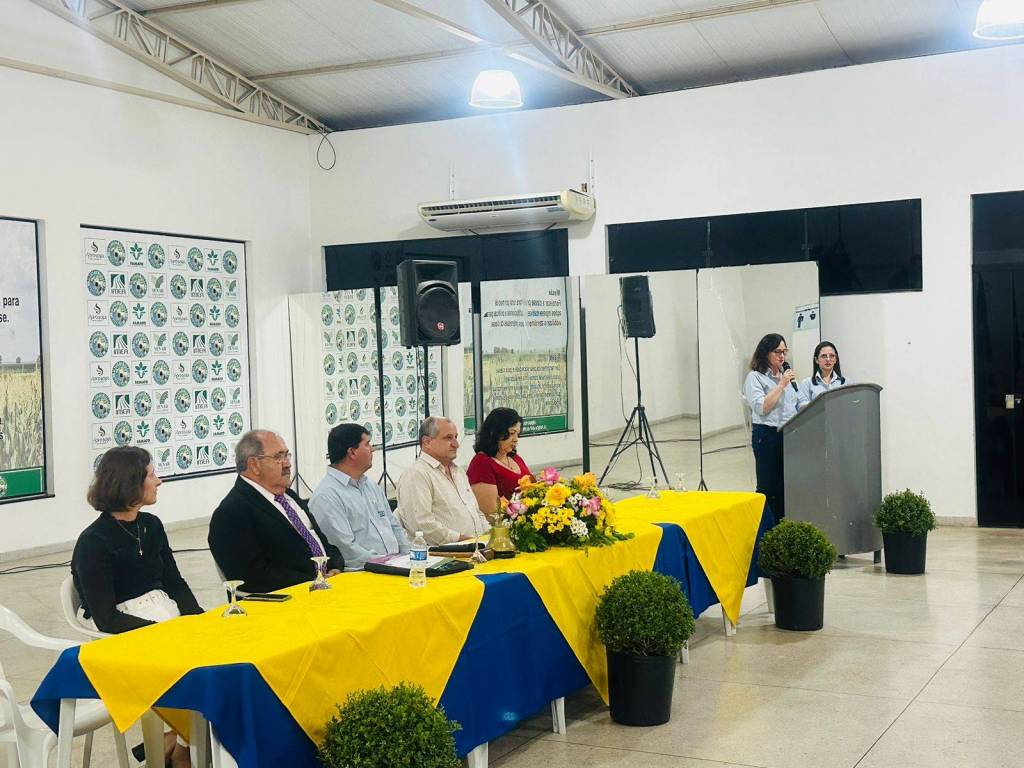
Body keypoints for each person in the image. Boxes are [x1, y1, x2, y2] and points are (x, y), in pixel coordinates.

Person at [71, 446, 201, 768]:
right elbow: (106, 617)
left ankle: (176, 743)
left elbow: (175, 583)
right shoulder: (93, 542)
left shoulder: (151, 525)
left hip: (164, 620)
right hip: (128, 632)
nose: (159, 481)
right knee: (198, 672)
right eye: (152, 475)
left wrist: (200, 621)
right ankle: (182, 749)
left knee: (224, 659)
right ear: (131, 483)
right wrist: (159, 634)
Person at [208, 430, 343, 593]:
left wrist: (335, 566)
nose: (287, 464)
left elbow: (323, 543)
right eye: (279, 457)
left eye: (287, 455)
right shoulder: (231, 513)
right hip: (289, 599)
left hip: (329, 587)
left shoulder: (289, 496)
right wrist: (313, 581)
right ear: (254, 465)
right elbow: (252, 576)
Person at [308, 423, 410, 570]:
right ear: (352, 452)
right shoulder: (326, 496)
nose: (372, 449)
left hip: (395, 566)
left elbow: (394, 526)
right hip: (364, 572)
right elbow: (347, 550)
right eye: (367, 444)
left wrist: (410, 558)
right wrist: (387, 564)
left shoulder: (370, 485)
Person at [395, 416, 489, 546]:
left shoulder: (458, 471)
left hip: (477, 548)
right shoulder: (416, 475)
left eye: (456, 437)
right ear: (427, 442)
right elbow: (422, 526)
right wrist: (466, 541)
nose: (456, 444)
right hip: (444, 554)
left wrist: (491, 536)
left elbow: (476, 513)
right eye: (448, 438)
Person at [743, 333, 800, 520]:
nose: (782, 356)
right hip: (766, 435)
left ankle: (782, 525)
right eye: (777, 352)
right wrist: (781, 385)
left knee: (785, 485)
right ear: (765, 352)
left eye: (784, 352)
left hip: (788, 434)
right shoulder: (755, 377)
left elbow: (795, 406)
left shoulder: (786, 379)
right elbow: (762, 407)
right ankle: (766, 528)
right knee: (768, 486)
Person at [466, 407, 533, 518]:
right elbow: (491, 514)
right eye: (511, 433)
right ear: (495, 433)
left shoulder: (515, 458)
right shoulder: (482, 463)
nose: (516, 439)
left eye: (518, 434)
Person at [798, 341, 850, 407]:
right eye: (824, 356)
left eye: (832, 356)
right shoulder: (807, 383)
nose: (828, 359)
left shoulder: (846, 382)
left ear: (835, 359)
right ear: (816, 360)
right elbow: (802, 407)